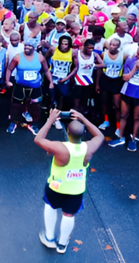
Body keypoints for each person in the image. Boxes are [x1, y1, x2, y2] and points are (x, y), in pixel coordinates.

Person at [35, 109, 104, 254]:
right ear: (84, 134)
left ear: (67, 131)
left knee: (51, 206)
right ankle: (62, 244)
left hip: (56, 187)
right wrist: (83, 118)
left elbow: (38, 139)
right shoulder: (88, 148)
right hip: (76, 190)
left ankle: (49, 238)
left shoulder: (60, 148)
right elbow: (100, 135)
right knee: (69, 215)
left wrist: (50, 120)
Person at [109, 46, 139, 152]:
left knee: (136, 117)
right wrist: (135, 68)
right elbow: (125, 77)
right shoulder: (130, 61)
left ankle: (133, 139)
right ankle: (120, 137)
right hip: (127, 91)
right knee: (123, 115)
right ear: (136, 53)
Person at [5, 38, 54, 135]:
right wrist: (7, 81)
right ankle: (14, 122)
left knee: (36, 106)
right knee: (16, 104)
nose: (27, 48)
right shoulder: (17, 57)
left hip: (35, 87)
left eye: (30, 46)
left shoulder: (40, 58)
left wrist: (51, 82)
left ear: (34, 48)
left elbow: (46, 70)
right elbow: (9, 69)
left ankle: (34, 124)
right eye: (26, 45)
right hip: (20, 86)